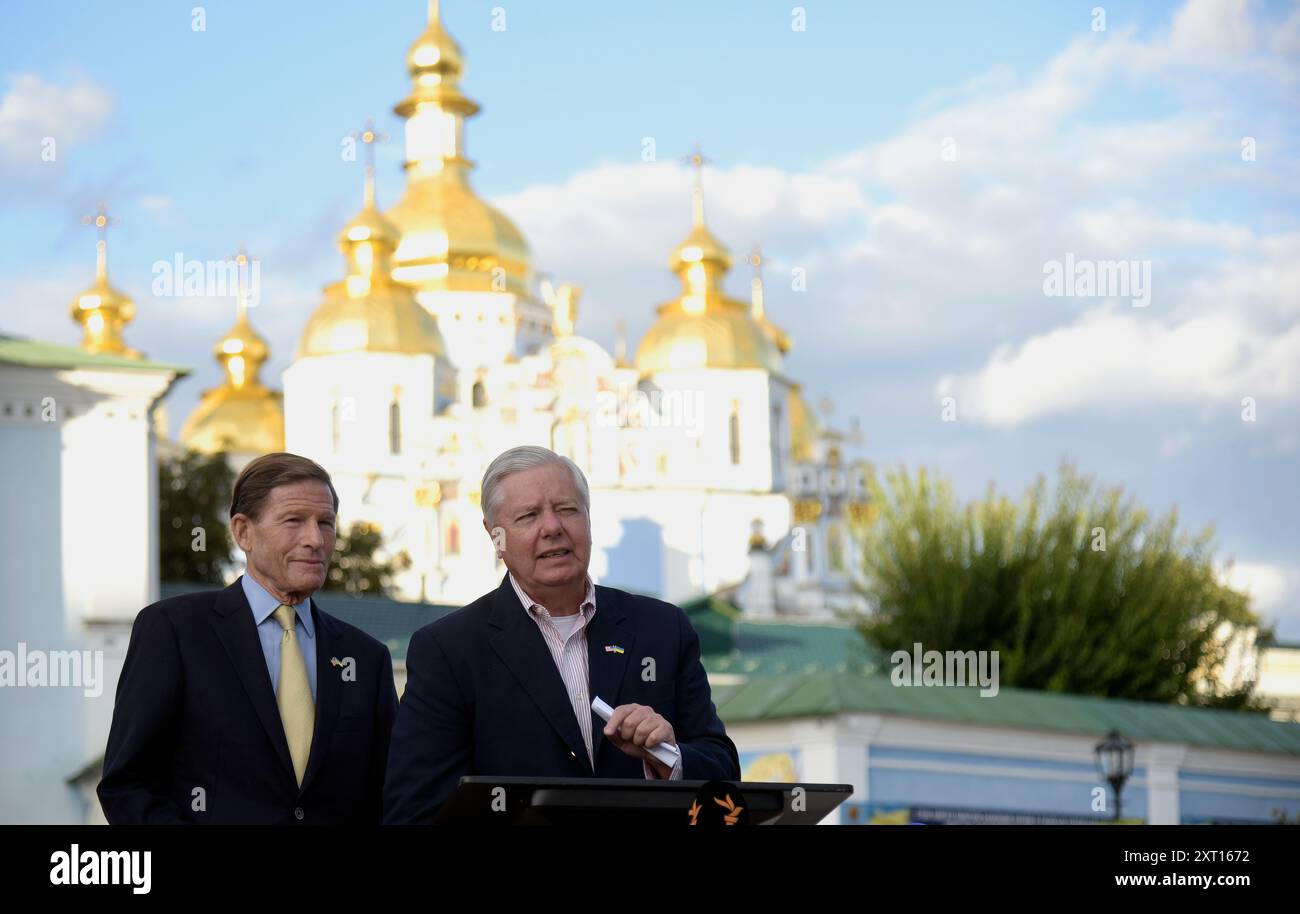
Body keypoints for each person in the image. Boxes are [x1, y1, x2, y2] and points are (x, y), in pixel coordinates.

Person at [384, 445, 739, 823]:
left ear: (588, 520)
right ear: (496, 537)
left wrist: (669, 757)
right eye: (529, 515)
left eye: (567, 510)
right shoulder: (448, 650)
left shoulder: (663, 629)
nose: (552, 527)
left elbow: (725, 774)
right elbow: (416, 811)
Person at [98, 453, 398, 824]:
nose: (315, 539)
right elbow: (128, 785)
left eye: (326, 523)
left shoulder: (365, 658)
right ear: (243, 532)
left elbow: (390, 797)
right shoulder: (174, 631)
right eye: (293, 521)